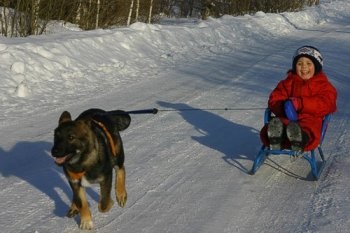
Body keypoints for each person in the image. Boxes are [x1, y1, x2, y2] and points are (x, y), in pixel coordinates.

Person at [260, 45, 337, 152]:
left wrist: (301, 104)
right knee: (279, 123)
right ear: (294, 66)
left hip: (310, 119)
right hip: (287, 117)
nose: (304, 67)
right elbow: (274, 99)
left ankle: (299, 139)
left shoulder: (324, 86)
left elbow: (327, 103)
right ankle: (276, 138)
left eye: (309, 63)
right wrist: (283, 106)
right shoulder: (288, 83)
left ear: (317, 66)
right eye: (299, 63)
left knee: (309, 128)